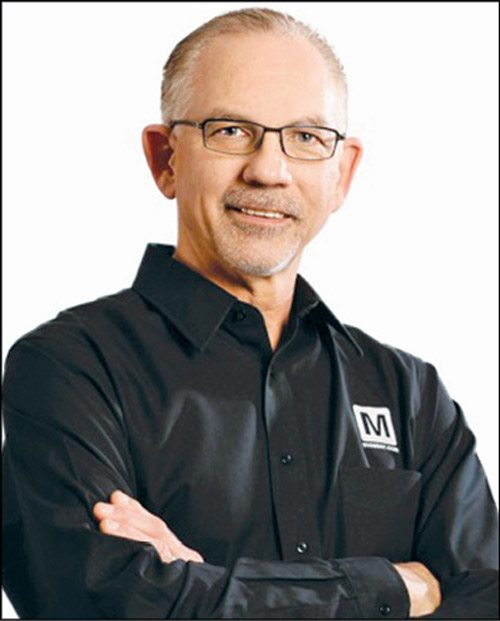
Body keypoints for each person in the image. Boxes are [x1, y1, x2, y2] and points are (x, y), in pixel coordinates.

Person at [2, 7, 498, 619]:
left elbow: (485, 598)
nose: (268, 170)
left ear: (342, 173)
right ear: (165, 158)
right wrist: (395, 589)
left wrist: (197, 587)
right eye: (231, 130)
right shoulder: (71, 369)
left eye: (307, 137)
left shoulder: (410, 392)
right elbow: (112, 603)